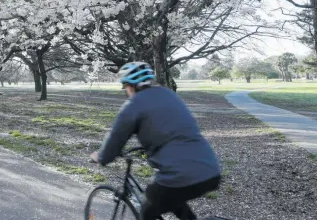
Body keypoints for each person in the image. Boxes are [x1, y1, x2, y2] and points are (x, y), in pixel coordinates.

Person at [90, 62, 221, 220]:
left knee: (147, 209)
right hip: (210, 169)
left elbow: (115, 139)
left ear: (129, 87)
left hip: (178, 174)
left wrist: (101, 157)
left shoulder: (133, 105)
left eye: (125, 87)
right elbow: (171, 129)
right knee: (172, 198)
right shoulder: (168, 94)